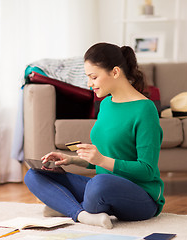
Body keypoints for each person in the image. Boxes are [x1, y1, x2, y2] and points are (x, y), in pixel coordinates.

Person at [24, 42, 165, 229]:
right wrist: (71, 159)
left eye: (93, 77)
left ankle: (67, 207)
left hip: (141, 197)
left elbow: (147, 170)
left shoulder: (145, 109)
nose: (89, 84)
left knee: (98, 184)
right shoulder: (106, 105)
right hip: (101, 188)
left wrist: (100, 159)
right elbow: (104, 157)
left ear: (115, 72)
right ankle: (82, 214)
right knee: (34, 175)